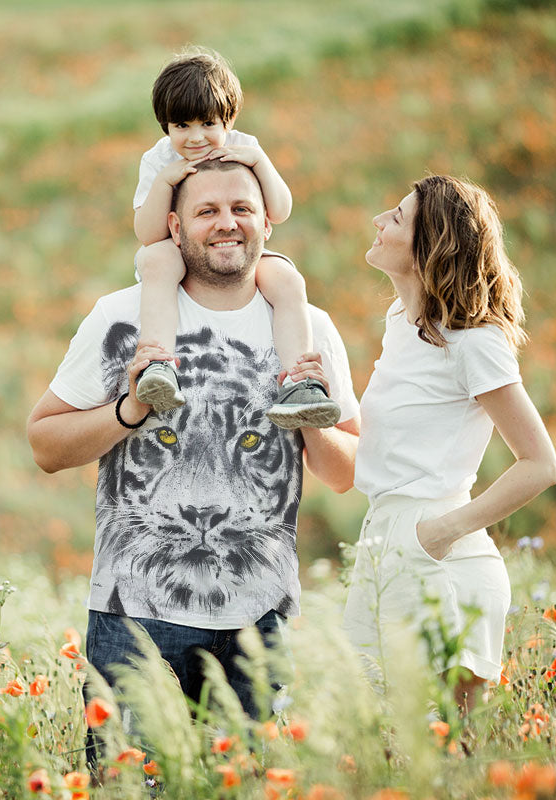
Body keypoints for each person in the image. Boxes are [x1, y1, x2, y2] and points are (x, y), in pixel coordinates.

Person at [27, 158, 360, 762]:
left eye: (241, 209)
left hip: (262, 616)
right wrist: (131, 410)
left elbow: (346, 473)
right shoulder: (122, 318)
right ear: (176, 228)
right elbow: (45, 444)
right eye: (207, 211)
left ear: (266, 222)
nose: (226, 223)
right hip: (133, 614)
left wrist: (313, 420)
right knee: (131, 789)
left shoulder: (307, 328)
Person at [342, 175, 556, 713]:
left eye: (397, 217)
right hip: (385, 538)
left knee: (442, 749)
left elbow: (540, 463)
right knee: (377, 741)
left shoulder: (474, 343)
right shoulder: (403, 322)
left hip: (437, 554)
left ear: (430, 246)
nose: (379, 221)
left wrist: (439, 533)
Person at [131, 47, 341, 430]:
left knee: (287, 280)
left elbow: (280, 210)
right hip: (176, 247)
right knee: (158, 261)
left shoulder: (246, 146)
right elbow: (147, 234)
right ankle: (158, 365)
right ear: (166, 126)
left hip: (235, 251)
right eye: (182, 126)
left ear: (228, 119)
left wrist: (259, 162)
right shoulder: (159, 160)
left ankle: (299, 382)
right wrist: (165, 182)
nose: (196, 138)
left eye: (208, 123)